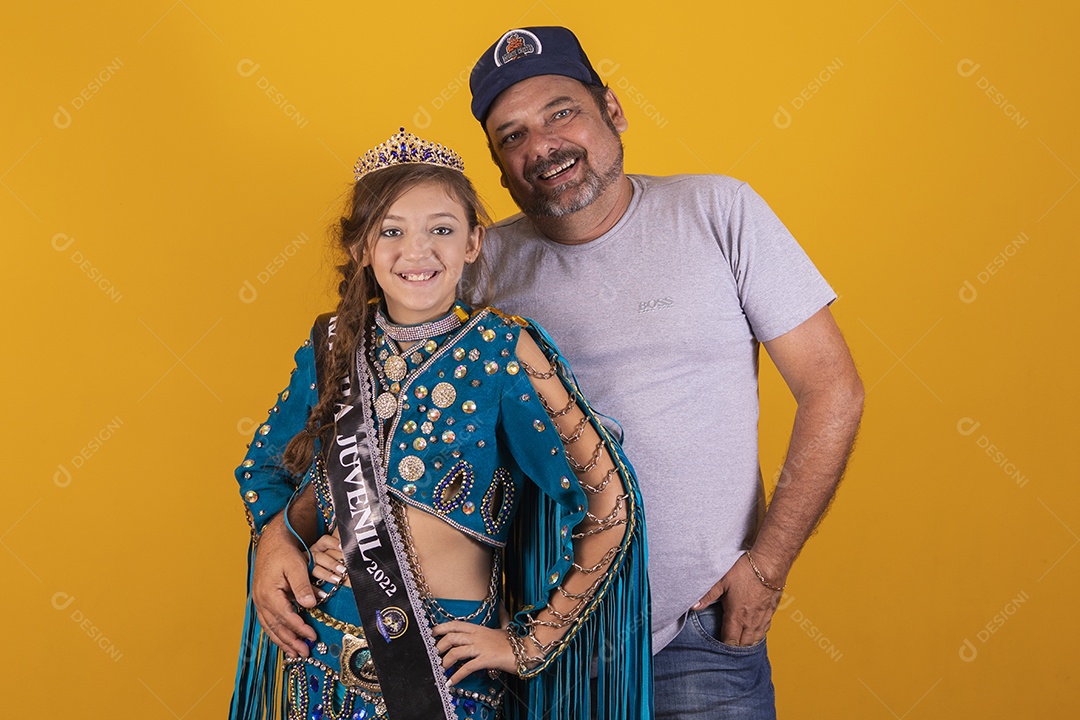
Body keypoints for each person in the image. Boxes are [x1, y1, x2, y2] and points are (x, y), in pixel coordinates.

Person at [251, 25, 865, 720]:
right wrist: (283, 532)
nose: (540, 146)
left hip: (694, 633)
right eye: (511, 136)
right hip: (522, 647)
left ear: (613, 109)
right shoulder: (475, 269)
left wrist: (767, 567)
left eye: (561, 112)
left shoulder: (718, 211)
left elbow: (832, 388)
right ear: (498, 165)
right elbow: (376, 422)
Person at [230, 129, 651, 720]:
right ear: (360, 248)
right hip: (322, 656)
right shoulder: (330, 348)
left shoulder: (504, 350)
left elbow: (608, 504)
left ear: (475, 241)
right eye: (392, 231)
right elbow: (264, 468)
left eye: (442, 230)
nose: (416, 251)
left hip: (449, 668)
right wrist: (279, 538)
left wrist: (530, 643)